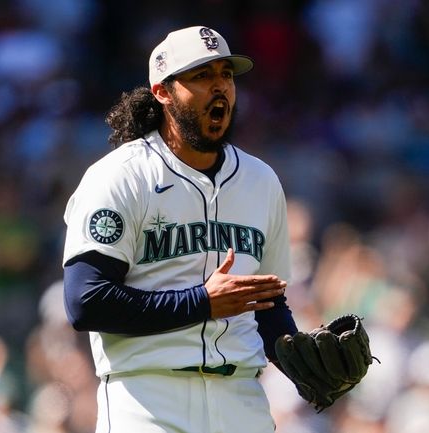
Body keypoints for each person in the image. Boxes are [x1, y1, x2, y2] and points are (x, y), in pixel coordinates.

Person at [62, 25, 298, 433]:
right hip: (147, 399)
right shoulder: (120, 177)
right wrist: (201, 303)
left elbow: (266, 304)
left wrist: (301, 360)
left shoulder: (261, 181)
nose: (220, 87)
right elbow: (86, 300)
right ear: (163, 91)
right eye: (202, 76)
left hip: (240, 400)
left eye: (226, 73)